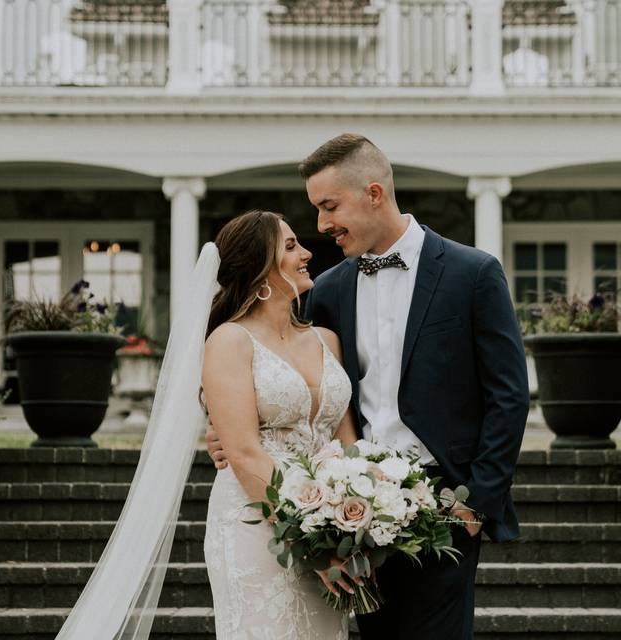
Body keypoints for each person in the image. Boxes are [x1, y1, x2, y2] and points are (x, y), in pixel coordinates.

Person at [207, 134, 529, 639]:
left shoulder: (474, 274)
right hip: (347, 512)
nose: (321, 225)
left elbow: (508, 395)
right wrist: (225, 431)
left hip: (445, 507)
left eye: (329, 206)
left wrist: (476, 505)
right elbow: (292, 374)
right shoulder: (329, 289)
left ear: (373, 193)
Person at [202, 210, 357, 639]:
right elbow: (244, 452)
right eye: (290, 246)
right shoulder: (229, 341)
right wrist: (313, 549)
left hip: (327, 523)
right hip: (257, 525)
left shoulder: (327, 341)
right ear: (258, 267)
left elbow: (346, 443)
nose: (307, 253)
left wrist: (353, 523)